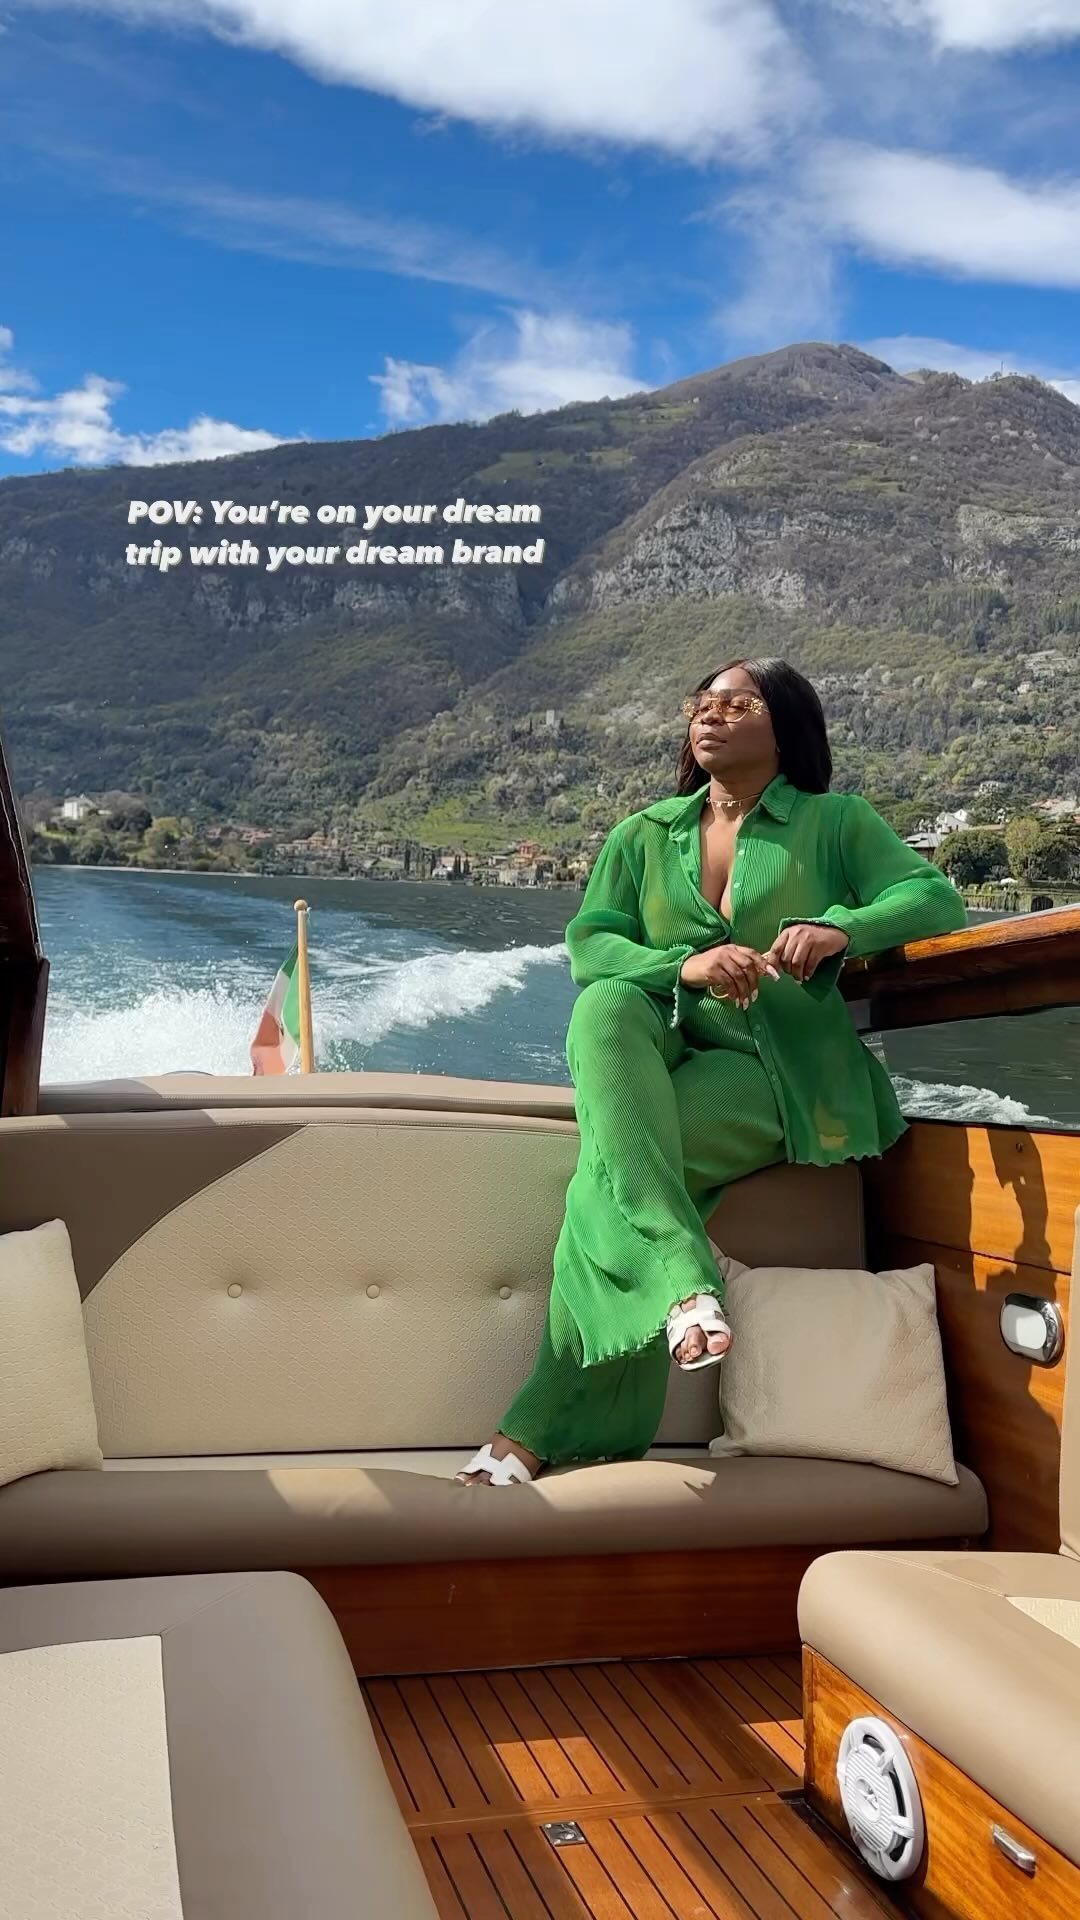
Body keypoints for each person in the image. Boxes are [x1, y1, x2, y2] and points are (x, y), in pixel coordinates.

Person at [457, 657, 965, 1486]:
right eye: (703, 703)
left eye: (738, 703)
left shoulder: (834, 821)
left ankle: (532, 1433)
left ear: (784, 727)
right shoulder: (643, 834)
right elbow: (591, 945)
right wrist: (683, 967)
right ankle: (687, 1287)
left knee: (606, 1182)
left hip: (769, 1069)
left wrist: (840, 928)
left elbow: (933, 898)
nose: (711, 715)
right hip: (666, 1039)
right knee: (605, 1004)